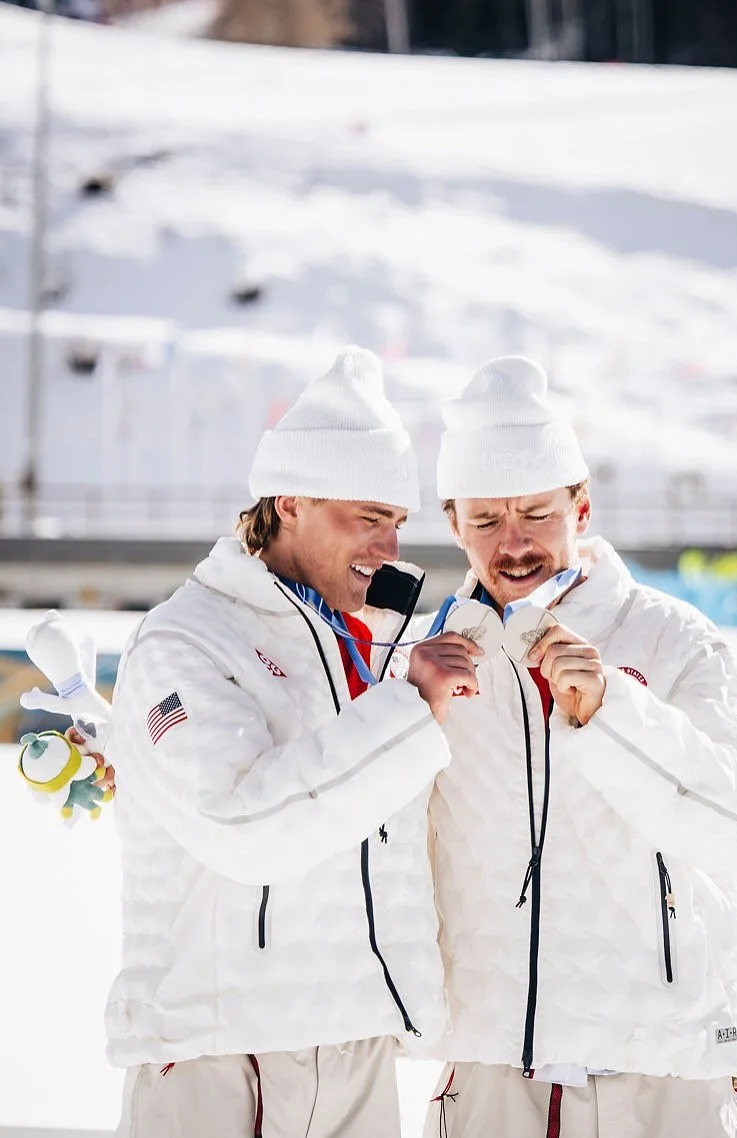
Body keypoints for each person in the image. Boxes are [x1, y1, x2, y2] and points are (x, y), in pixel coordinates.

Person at [99, 347, 479, 1138]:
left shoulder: (368, 646)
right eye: (367, 518)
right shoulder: (183, 641)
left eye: (397, 523)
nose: (387, 547)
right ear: (291, 502)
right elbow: (244, 826)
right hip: (217, 1050)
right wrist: (409, 708)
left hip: (355, 1043)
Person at [421, 356, 737, 1137]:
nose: (512, 545)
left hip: (667, 1071)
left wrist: (615, 710)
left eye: (536, 513)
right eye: (484, 520)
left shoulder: (674, 638)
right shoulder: (426, 660)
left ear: (581, 504)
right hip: (491, 1078)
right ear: (453, 523)